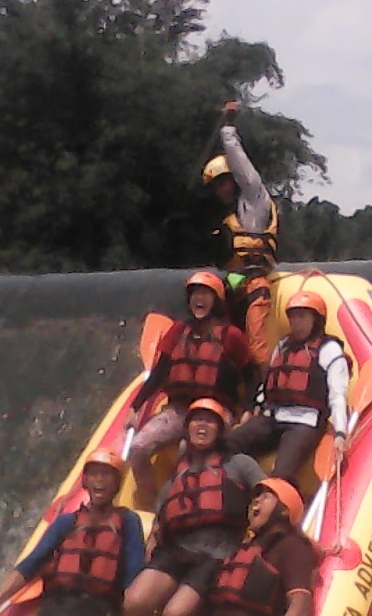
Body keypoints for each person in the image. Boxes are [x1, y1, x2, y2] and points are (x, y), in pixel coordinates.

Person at [121, 398, 265, 616]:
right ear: (186, 429)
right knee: (134, 602)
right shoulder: (179, 472)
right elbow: (159, 522)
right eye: (197, 420)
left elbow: (270, 494)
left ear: (220, 430)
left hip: (218, 554)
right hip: (176, 551)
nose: (202, 425)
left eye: (210, 421)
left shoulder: (239, 464)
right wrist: (150, 557)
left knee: (174, 615)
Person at [0, 449, 145, 616]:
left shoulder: (128, 521)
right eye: (94, 474)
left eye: (106, 475)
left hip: (98, 605)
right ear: (85, 481)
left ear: (117, 483)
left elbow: (134, 574)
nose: (99, 480)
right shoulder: (67, 522)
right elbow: (33, 562)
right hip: (57, 602)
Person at [157, 478, 317, 616]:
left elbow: (300, 602)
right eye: (255, 497)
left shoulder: (291, 546)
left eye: (266, 496)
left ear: (284, 510)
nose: (255, 502)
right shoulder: (244, 547)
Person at [127, 270, 255, 493]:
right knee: (138, 447)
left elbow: (252, 374)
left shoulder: (231, 336)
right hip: (179, 410)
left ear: (216, 301)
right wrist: (135, 407)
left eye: (205, 294)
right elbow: (160, 371)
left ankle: (185, 502)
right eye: (195, 294)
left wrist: (247, 409)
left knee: (188, 451)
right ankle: (148, 502)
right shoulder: (178, 331)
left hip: (214, 411)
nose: (199, 299)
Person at [226, 289, 351, 483]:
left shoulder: (328, 349)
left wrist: (340, 433)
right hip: (272, 417)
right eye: (293, 317)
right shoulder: (283, 344)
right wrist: (254, 410)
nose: (296, 323)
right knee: (226, 445)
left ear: (316, 319)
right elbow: (267, 385)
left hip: (305, 422)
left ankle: (280, 503)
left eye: (302, 316)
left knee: (282, 473)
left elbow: (338, 393)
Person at [202, 100, 278, 350]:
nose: (219, 190)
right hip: (233, 287)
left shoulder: (254, 201)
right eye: (214, 187)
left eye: (222, 182)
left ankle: (263, 384)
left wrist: (228, 128)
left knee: (256, 349)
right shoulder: (226, 219)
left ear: (234, 180)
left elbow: (241, 164)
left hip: (257, 286)